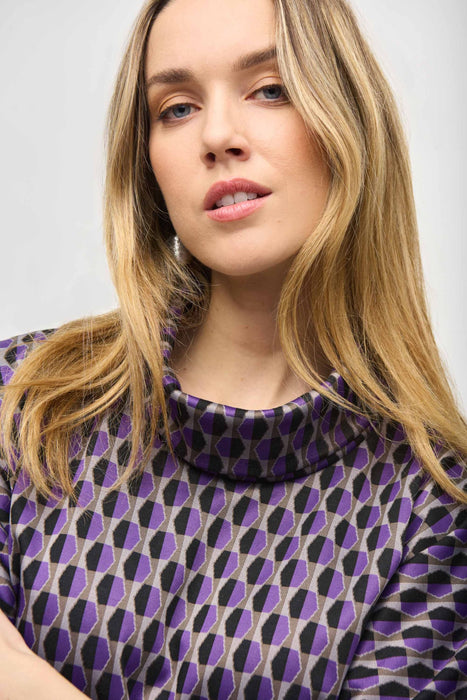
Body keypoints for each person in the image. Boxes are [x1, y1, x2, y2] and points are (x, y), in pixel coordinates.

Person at [0, 0, 466, 697]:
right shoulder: (25, 399)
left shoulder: (433, 510)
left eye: (270, 89)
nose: (217, 135)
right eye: (177, 108)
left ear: (349, 120)